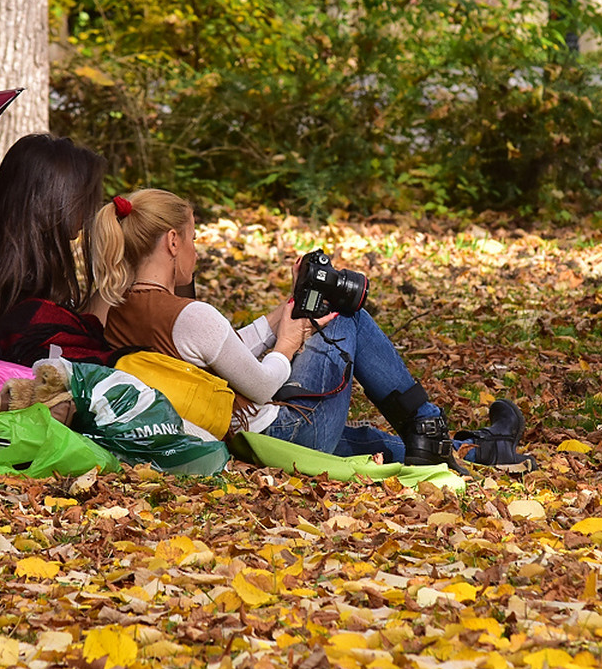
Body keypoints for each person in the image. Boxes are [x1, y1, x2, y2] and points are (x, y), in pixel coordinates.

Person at [87, 189, 530, 470]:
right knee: (347, 316)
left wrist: (283, 315)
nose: (196, 252)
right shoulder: (190, 313)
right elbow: (259, 385)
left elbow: (212, 355)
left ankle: (477, 450)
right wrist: (286, 342)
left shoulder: (116, 311)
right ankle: (427, 424)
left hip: (236, 436)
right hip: (280, 435)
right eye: (195, 238)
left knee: (373, 443)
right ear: (172, 241)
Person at [0, 133, 115, 367]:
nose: (90, 210)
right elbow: (77, 355)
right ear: (54, 200)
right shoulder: (28, 297)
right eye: (84, 199)